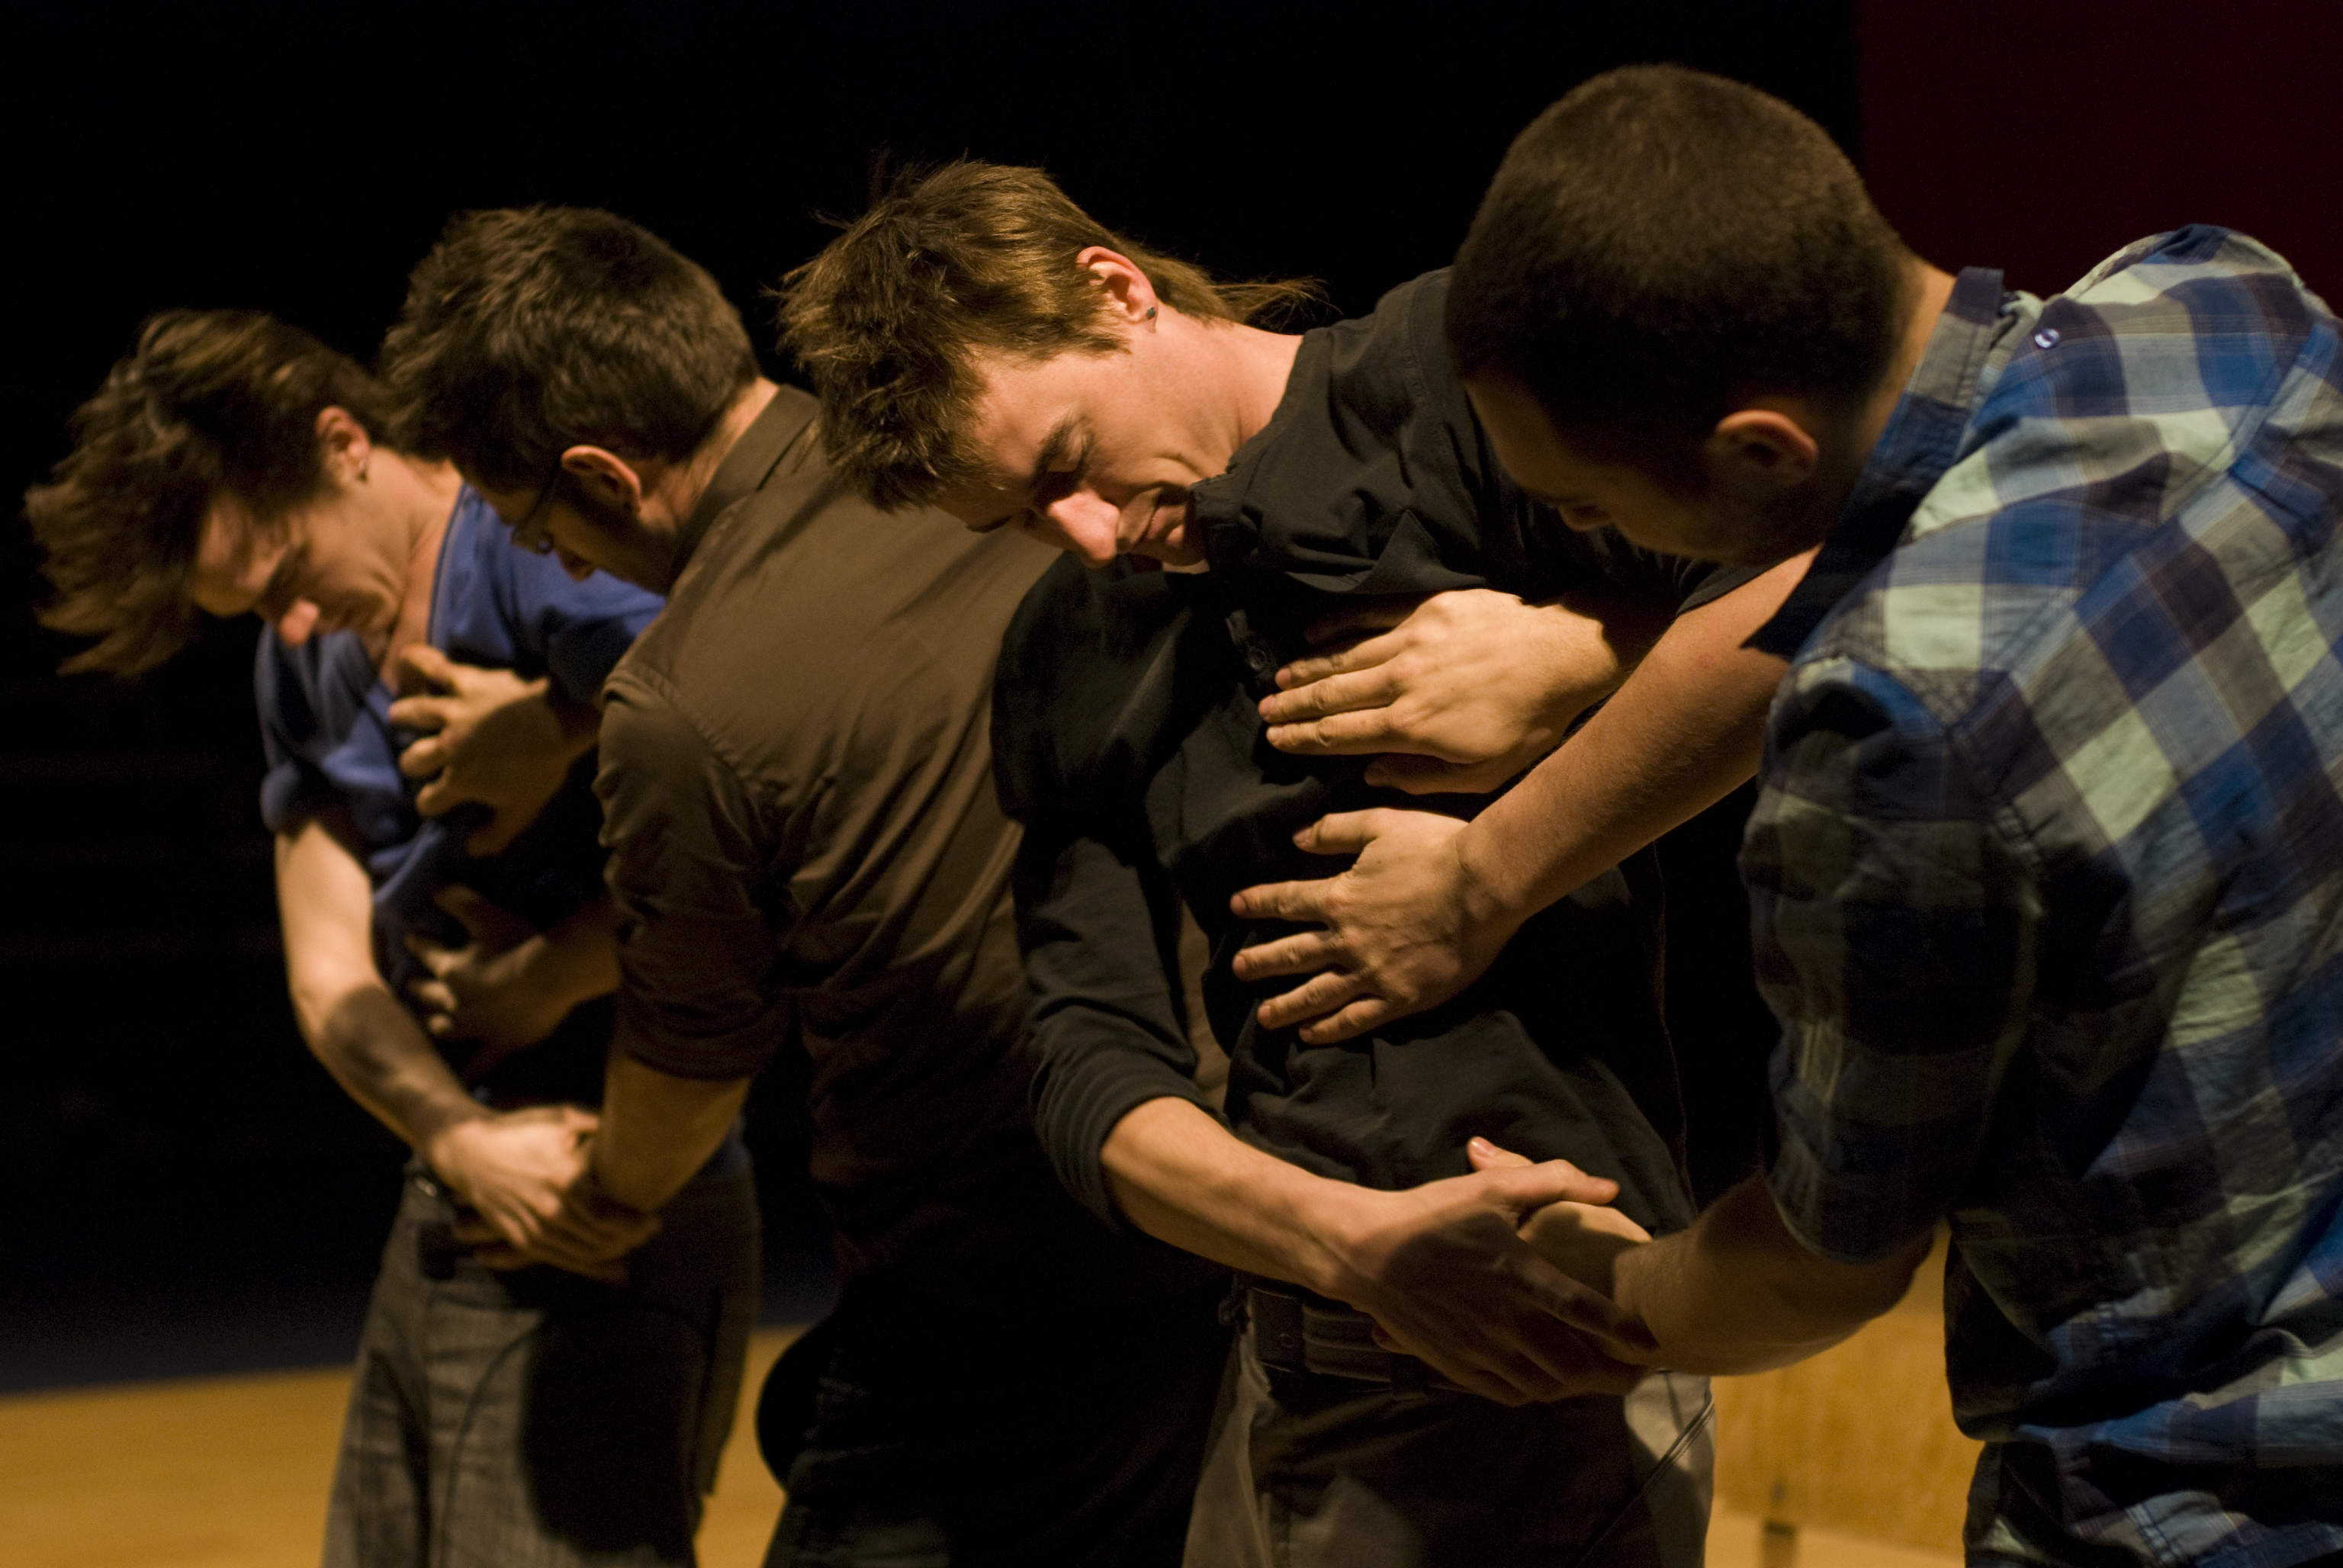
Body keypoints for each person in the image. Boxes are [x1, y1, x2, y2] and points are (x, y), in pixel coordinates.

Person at [779, 159, 1814, 1567]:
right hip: (1281, 1361)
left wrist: (1572, 670)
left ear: (1115, 290)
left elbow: (1830, 584)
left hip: (1535, 1372)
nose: (1086, 537)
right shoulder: (1073, 639)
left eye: (1067, 463)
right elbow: (1086, 1058)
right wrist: (1340, 1243)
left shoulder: (1450, 382)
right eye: (1017, 519)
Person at [1440, 65, 2343, 1566]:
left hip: (2208, 1490)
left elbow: (1826, 1260)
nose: (1589, 536)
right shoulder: (2222, 297)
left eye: (1591, 510)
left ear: (1761, 448)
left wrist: (1606, 1279)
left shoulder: (1894, 726)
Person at [374, 204, 1242, 1568]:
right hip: (1241, 1181)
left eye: (539, 527)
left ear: (601, 475)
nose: (565, 565)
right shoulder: (984, 447)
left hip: (1007, 1284)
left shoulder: (677, 700)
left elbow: (690, 1063)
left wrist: (607, 1192)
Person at [21, 309, 758, 1566]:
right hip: (460, 1174)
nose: (290, 624)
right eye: (249, 610)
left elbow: (757, 794)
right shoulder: (301, 661)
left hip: (608, 1183)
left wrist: (559, 733)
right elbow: (327, 977)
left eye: (285, 574)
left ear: (343, 441)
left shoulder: (529, 551)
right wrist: (454, 1137)